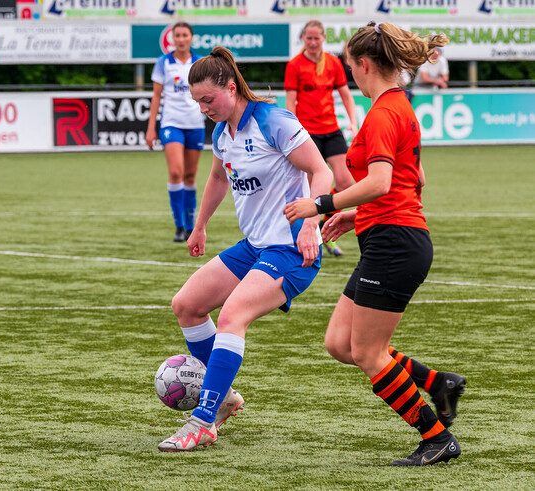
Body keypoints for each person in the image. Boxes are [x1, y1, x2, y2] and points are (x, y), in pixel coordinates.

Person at [285, 22, 464, 466]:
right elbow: (414, 179)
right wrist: (354, 214)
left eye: (351, 69)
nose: (351, 78)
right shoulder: (397, 106)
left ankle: (436, 436)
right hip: (389, 236)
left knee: (366, 352)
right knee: (340, 344)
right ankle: (437, 382)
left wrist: (322, 204)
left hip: (395, 244)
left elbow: (382, 181)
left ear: (365, 64)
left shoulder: (384, 112)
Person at [158, 46, 333, 452]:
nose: (204, 109)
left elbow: (320, 170)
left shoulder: (273, 121)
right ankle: (225, 398)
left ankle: (203, 418)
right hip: (255, 246)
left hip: (291, 249)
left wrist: (311, 223)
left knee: (234, 314)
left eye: (209, 99)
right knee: (186, 305)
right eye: (197, 102)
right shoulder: (222, 133)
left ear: (231, 87)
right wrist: (200, 226)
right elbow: (219, 179)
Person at [284, 20, 358, 257]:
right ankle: (311, 236)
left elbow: (346, 95)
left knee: (346, 182)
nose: (313, 43)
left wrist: (353, 121)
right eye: (309, 38)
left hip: (331, 130)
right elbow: (290, 101)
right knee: (313, 188)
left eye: (317, 38)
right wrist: (291, 130)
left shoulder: (333, 62)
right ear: (303, 39)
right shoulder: (295, 65)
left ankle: (327, 227)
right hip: (306, 134)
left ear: (323, 38)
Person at [146, 22, 205, 243]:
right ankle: (179, 225)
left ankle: (191, 227)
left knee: (190, 176)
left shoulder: (200, 63)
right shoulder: (163, 63)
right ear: (172, 39)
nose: (181, 39)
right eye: (177, 35)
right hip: (171, 124)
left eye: (185, 35)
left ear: (191, 38)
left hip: (195, 125)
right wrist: (151, 128)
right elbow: (156, 97)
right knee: (176, 173)